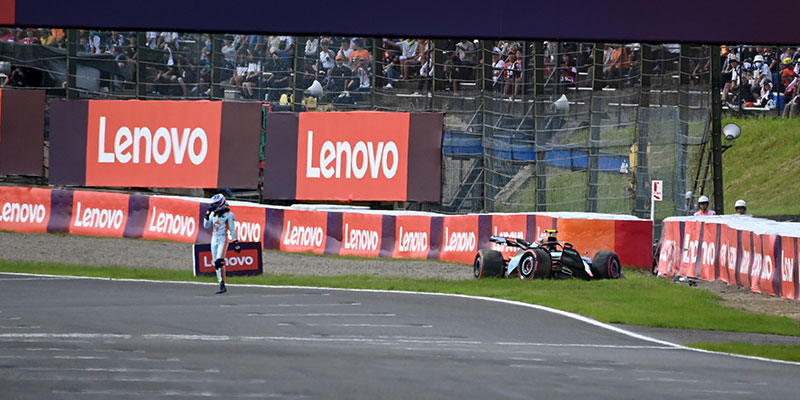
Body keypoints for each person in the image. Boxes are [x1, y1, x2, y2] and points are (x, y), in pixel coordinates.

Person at [203, 193, 241, 294]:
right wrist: (206, 215)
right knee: (215, 263)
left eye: (215, 204)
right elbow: (206, 226)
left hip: (222, 239)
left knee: (219, 261)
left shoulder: (229, 215)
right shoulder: (212, 214)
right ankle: (221, 283)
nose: (213, 206)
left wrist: (236, 242)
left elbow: (232, 229)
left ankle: (222, 284)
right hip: (214, 239)